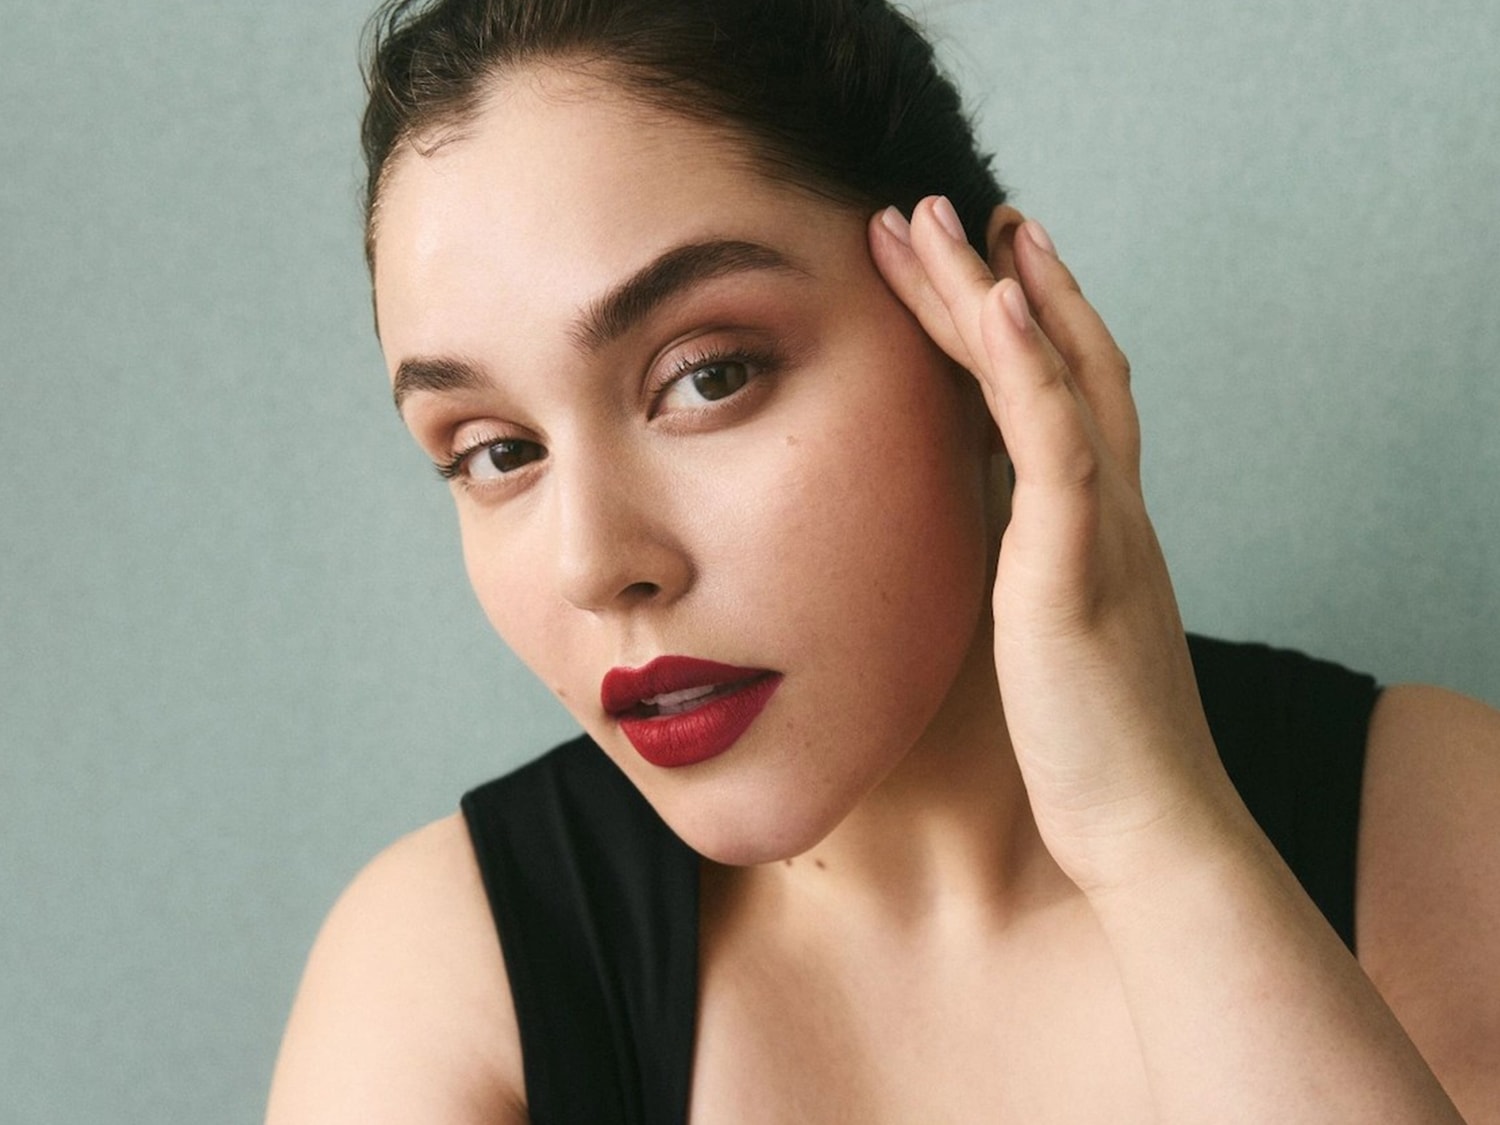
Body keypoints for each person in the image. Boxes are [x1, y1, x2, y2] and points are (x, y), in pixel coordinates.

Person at [266, 1, 1500, 1120]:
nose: (596, 564)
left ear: (986, 331)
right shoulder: (444, 971)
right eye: (494, 451)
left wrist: (1152, 830)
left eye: (708, 375)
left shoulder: (1438, 831)